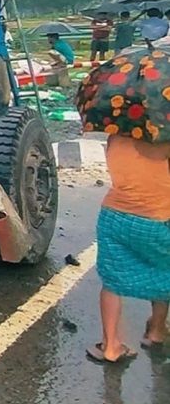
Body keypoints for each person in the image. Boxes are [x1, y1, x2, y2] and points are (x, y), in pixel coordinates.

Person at [88, 134, 170, 363]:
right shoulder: (165, 140)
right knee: (164, 269)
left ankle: (111, 345)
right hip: (157, 219)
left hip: (114, 216)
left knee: (111, 281)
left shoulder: (115, 137)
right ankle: (156, 330)